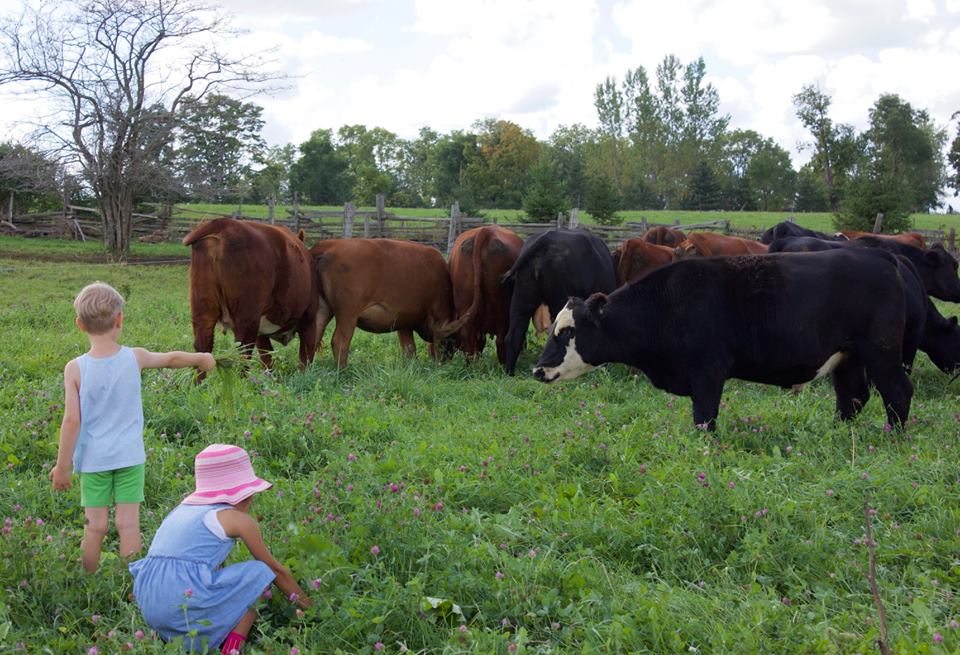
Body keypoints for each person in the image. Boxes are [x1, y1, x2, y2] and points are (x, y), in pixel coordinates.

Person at [50, 281, 216, 572]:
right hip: (129, 458)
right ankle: (134, 584)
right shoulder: (134, 357)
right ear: (119, 320)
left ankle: (88, 579)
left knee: (95, 526)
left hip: (93, 461)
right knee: (128, 524)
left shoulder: (75, 368)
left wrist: (62, 467)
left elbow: (71, 421)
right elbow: (171, 358)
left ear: (79, 325)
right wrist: (202, 358)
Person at [129, 443, 312, 653]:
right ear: (247, 494)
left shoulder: (181, 510)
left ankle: (166, 639)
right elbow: (275, 570)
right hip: (181, 599)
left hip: (149, 602)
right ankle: (232, 648)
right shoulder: (237, 520)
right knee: (260, 574)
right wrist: (311, 610)